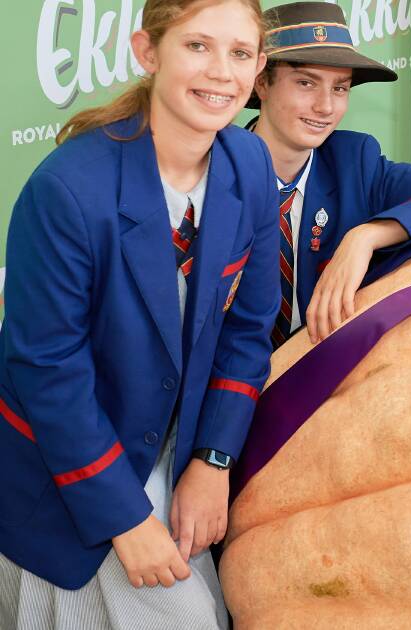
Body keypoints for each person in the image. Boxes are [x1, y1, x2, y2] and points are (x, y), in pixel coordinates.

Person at [0, 0, 277, 627]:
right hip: (68, 474)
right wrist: (124, 518)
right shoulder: (67, 191)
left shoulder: (250, 164)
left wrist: (212, 460)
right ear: (148, 52)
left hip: (174, 455)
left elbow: (247, 329)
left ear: (259, 68)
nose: (221, 73)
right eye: (197, 46)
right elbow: (48, 373)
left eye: (239, 54)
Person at [248, 2, 411, 345]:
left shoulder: (354, 161)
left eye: (340, 88)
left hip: (315, 381)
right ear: (262, 83)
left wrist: (365, 236)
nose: (326, 106)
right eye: (306, 83)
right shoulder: (215, 168)